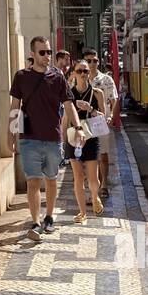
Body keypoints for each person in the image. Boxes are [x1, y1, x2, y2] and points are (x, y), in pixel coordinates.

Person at [8, 36, 85, 240]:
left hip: (53, 138)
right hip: (29, 138)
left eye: (49, 52)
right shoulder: (21, 77)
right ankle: (35, 222)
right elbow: (15, 108)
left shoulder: (57, 78)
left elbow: (69, 104)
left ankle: (49, 217)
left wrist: (78, 127)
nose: (47, 56)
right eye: (42, 52)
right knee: (33, 182)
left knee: (51, 180)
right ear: (32, 54)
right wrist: (11, 135)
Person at [67, 62, 105, 223]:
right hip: (73, 137)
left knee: (93, 177)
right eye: (79, 71)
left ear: (90, 73)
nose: (83, 74)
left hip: (91, 137)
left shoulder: (97, 93)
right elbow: (64, 118)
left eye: (86, 71)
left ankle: (95, 197)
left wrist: (90, 109)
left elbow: (103, 117)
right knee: (78, 176)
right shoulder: (68, 94)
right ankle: (82, 212)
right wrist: (62, 140)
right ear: (74, 74)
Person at [85, 49, 117, 198]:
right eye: (89, 60)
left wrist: (110, 117)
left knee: (103, 154)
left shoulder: (106, 80)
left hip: (100, 120)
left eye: (95, 60)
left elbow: (113, 99)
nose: (92, 63)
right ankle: (93, 183)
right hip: (83, 121)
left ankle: (104, 184)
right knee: (88, 155)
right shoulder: (78, 78)